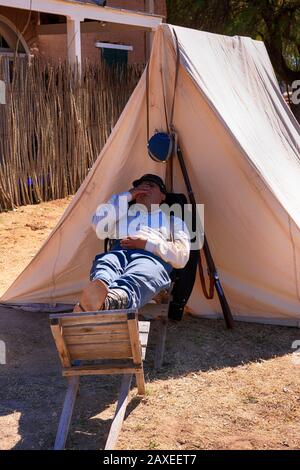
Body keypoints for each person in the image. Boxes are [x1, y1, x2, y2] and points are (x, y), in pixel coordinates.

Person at [74, 174, 190, 313]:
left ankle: (107, 302)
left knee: (142, 273)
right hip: (118, 252)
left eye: (151, 186)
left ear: (162, 196)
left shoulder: (173, 221)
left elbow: (181, 257)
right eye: (140, 186)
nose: (145, 189)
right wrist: (128, 195)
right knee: (106, 265)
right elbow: (98, 224)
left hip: (151, 258)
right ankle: (99, 296)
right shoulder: (122, 214)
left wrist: (147, 245)